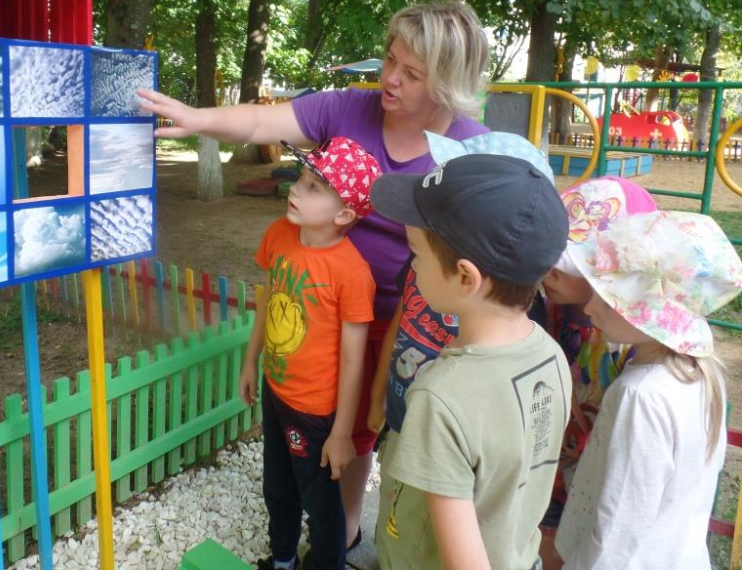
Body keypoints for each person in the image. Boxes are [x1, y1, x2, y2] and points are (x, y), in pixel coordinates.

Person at [140, 0, 490, 542]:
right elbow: (262, 119)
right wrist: (197, 119)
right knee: (315, 414)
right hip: (318, 303)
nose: (389, 79)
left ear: (446, 82)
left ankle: (347, 527)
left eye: (411, 73)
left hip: (400, 317)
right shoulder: (350, 107)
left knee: (371, 426)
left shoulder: (471, 147)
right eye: (390, 59)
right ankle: (322, 516)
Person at [369, 153, 571, 570]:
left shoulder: (440, 396)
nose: (412, 267)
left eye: (416, 255)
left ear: (465, 278)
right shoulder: (551, 355)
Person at [555, 210, 742, 569]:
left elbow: (618, 529)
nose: (590, 308)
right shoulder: (702, 374)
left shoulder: (641, 394)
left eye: (609, 298)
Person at [238, 136, 381, 570]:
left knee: (321, 507)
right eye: (300, 179)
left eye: (314, 186)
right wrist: (250, 361)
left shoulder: (352, 272)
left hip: (316, 411)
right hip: (275, 389)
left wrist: (341, 433)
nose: (296, 189)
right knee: (277, 488)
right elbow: (268, 298)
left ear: (344, 214)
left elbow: (355, 358)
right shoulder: (279, 234)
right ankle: (283, 560)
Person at [533, 177, 657, 569]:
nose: (549, 270)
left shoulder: (623, 342)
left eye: (567, 264)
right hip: (541, 470)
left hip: (586, 484)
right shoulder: (542, 306)